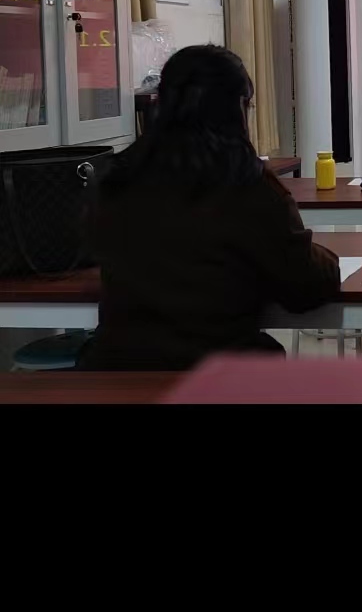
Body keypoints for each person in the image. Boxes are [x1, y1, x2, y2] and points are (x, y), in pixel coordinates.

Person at [79, 46, 340, 371]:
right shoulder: (248, 183)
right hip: (218, 373)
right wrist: (327, 258)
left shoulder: (117, 176)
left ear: (162, 105)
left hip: (117, 370)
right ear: (239, 107)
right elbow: (306, 288)